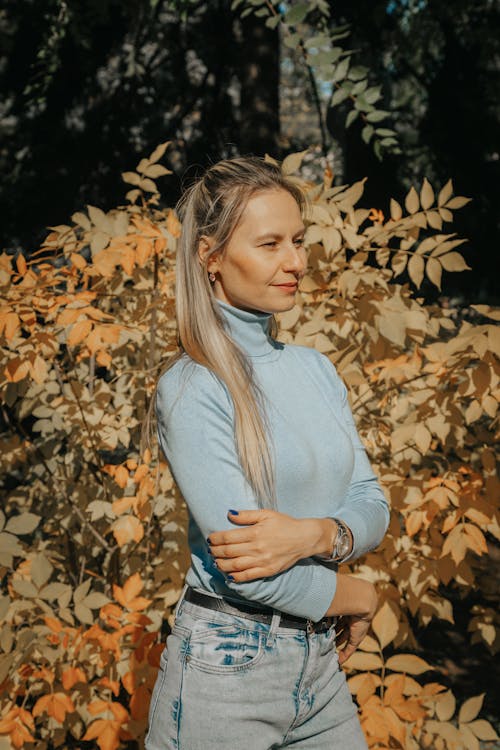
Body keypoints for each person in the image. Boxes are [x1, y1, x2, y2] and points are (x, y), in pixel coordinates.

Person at [143, 155, 390, 749]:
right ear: (211, 257)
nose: (296, 262)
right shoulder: (193, 384)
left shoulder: (315, 369)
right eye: (271, 243)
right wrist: (362, 595)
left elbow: (372, 501)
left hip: (320, 669)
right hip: (225, 671)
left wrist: (312, 536)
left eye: (300, 241)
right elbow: (249, 571)